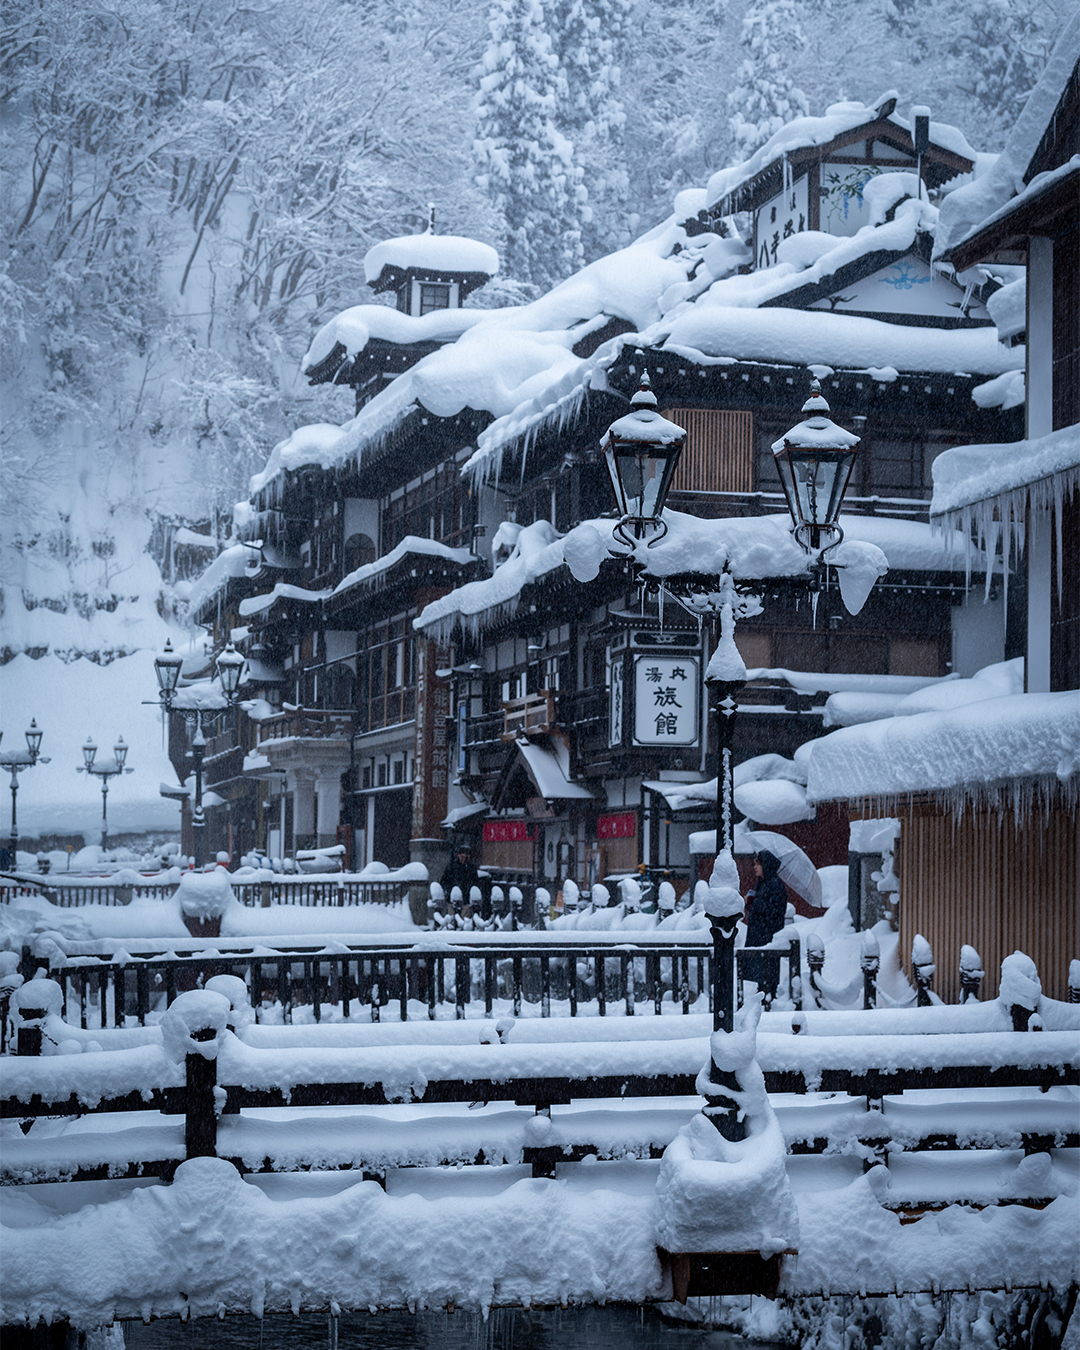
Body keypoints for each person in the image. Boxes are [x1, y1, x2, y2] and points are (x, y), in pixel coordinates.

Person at [744, 850, 788, 1006]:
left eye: (758, 863)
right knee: (756, 977)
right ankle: (761, 1000)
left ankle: (768, 1001)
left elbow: (774, 911)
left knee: (766, 976)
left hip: (767, 937)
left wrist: (753, 903)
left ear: (766, 865)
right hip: (758, 936)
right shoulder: (762, 883)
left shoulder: (775, 885)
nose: (755, 866)